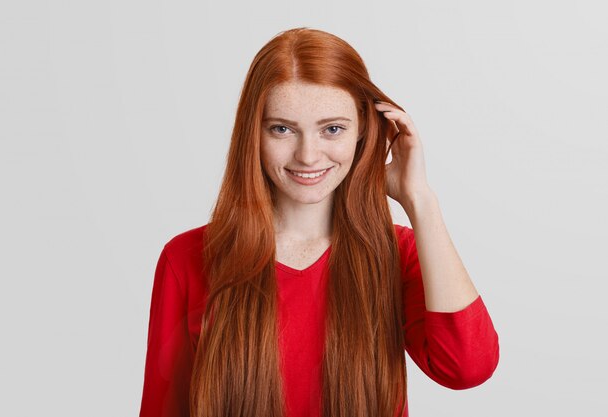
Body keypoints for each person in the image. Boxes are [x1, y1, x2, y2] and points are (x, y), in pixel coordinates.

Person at [138, 27, 499, 417]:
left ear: (363, 128)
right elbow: (163, 408)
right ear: (253, 134)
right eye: (282, 129)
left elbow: (467, 368)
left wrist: (420, 200)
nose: (308, 155)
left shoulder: (397, 254)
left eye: (332, 129)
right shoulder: (186, 259)